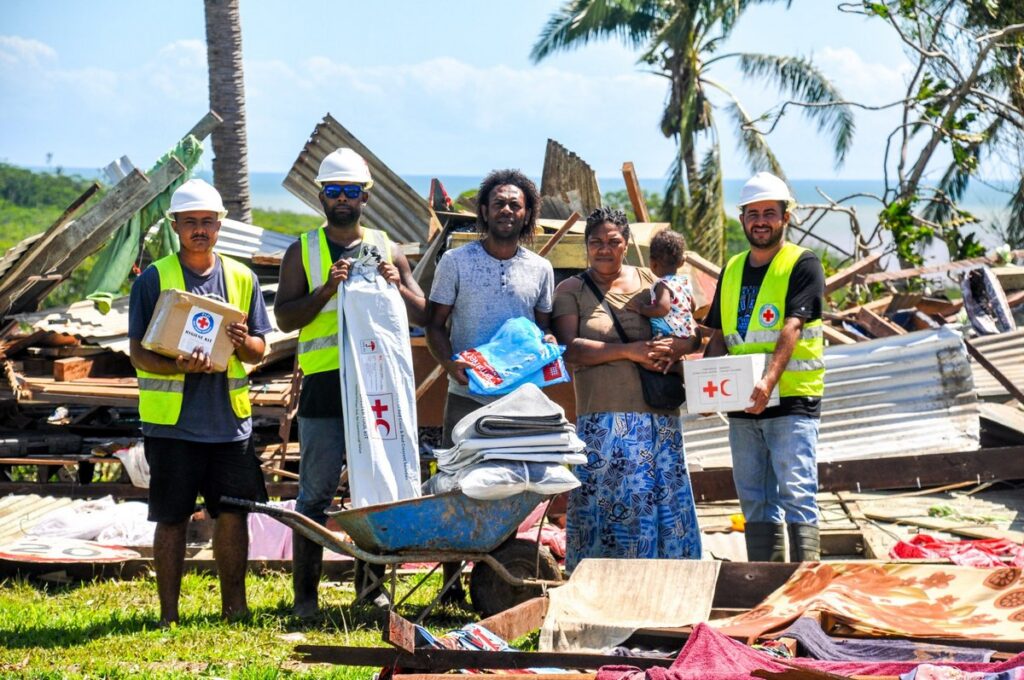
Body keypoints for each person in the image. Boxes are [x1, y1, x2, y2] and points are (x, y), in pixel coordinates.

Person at [274, 148, 427, 617]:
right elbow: (283, 318)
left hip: (376, 387)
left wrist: (396, 284)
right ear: (321, 196)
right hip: (325, 386)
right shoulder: (304, 250)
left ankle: (371, 589)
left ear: (366, 196)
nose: (342, 199)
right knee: (315, 493)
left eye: (351, 192)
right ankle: (305, 598)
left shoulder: (388, 247)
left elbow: (421, 313)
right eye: (334, 191)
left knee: (376, 486)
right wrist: (325, 291)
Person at [128, 178, 273, 626]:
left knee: (232, 514)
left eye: (207, 222)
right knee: (171, 517)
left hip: (229, 424)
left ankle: (236, 609)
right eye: (190, 222)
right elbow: (137, 352)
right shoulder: (155, 279)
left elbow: (259, 349)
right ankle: (168, 616)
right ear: (175, 226)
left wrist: (242, 339)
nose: (199, 230)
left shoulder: (241, 278)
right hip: (172, 426)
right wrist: (178, 369)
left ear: (220, 226)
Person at [425, 168, 555, 603]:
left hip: (517, 402)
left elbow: (544, 331)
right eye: (498, 202)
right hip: (466, 395)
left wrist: (550, 343)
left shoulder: (540, 268)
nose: (506, 210)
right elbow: (434, 325)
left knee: (509, 486)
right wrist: (450, 364)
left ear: (527, 214)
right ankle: (448, 583)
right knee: (456, 483)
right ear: (483, 210)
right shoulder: (455, 261)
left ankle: (494, 576)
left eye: (515, 204)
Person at [551, 207, 703, 571]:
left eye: (613, 242)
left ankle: (667, 590)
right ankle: (605, 588)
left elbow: (694, 331)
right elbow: (569, 348)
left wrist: (677, 348)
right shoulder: (571, 290)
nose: (604, 249)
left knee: (662, 506)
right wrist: (630, 352)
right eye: (596, 242)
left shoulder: (654, 281)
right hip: (603, 424)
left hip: (658, 421)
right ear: (585, 246)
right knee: (612, 507)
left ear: (626, 244)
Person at [702, 172, 826, 563]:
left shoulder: (802, 264)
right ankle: (765, 584)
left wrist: (767, 382)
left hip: (790, 402)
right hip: (743, 404)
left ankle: (804, 587)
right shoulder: (734, 267)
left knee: (797, 496)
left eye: (769, 213)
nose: (760, 221)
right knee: (754, 500)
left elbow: (792, 325)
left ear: (785, 217)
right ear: (742, 219)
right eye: (753, 213)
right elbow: (720, 333)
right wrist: (705, 384)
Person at [627, 229, 697, 340]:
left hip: (668, 332)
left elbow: (662, 309)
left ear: (653, 263)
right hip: (685, 331)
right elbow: (692, 305)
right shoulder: (684, 282)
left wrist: (641, 308)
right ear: (681, 262)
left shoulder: (663, 285)